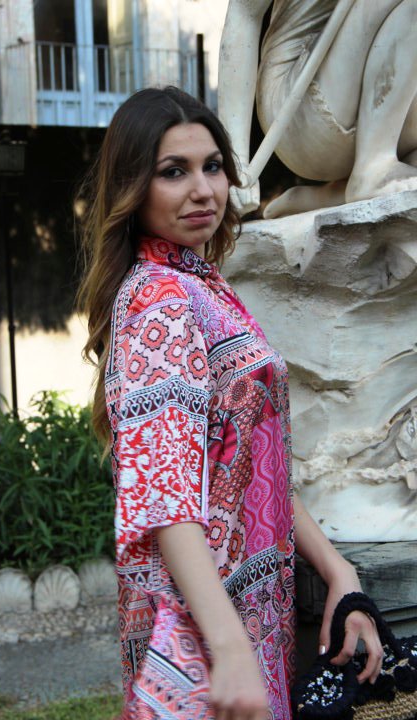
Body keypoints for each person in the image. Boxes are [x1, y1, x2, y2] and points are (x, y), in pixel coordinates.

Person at [77, 87, 383, 720]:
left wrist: (338, 570)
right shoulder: (159, 300)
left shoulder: (202, 286)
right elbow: (164, 495)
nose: (203, 190)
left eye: (212, 166)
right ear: (133, 188)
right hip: (203, 630)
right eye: (174, 172)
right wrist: (229, 646)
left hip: (248, 616)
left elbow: (246, 461)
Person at [218, 0, 417, 217]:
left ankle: (334, 195)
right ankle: (374, 166)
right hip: (297, 104)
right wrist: (236, 164)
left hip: (382, 98)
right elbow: (243, 14)